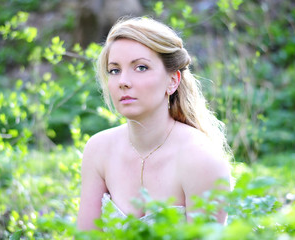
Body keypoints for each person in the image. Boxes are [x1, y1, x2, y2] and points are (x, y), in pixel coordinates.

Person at [77, 16, 232, 231]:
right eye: (114, 70)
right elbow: (85, 236)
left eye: (140, 67)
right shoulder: (99, 149)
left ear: (172, 81)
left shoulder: (200, 158)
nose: (123, 81)